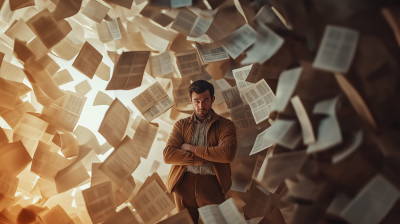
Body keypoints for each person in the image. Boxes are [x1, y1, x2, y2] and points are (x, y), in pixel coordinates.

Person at [163, 80, 237, 223]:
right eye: (196, 101)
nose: (201, 106)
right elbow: (168, 155)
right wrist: (205, 156)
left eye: (205, 100)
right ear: (191, 100)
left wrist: (191, 148)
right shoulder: (181, 124)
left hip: (212, 185)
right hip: (182, 183)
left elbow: (227, 154)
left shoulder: (226, 125)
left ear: (213, 99)